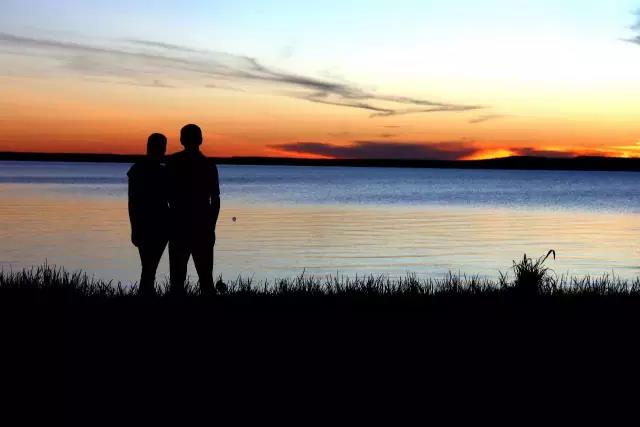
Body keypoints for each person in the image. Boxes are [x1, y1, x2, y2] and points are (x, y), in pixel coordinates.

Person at [167, 124, 220, 295]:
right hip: (201, 225)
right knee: (206, 278)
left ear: (181, 140)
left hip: (179, 225)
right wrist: (211, 224)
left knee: (177, 279)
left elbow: (164, 194)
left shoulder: (173, 162)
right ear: (201, 140)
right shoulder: (208, 165)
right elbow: (215, 199)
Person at [127, 133, 170, 297]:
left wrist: (134, 227)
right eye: (162, 147)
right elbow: (133, 201)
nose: (163, 151)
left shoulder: (138, 169)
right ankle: (146, 296)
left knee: (148, 266)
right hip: (153, 223)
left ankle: (145, 295)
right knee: (149, 266)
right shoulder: (161, 171)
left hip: (154, 223)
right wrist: (134, 228)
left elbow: (132, 202)